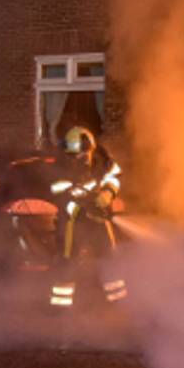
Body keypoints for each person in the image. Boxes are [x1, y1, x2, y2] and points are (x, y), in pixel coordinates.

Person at [47, 126, 127, 309]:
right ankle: (61, 307)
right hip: (71, 219)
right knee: (67, 261)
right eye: (72, 155)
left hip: (98, 218)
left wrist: (107, 193)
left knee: (109, 258)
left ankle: (118, 302)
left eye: (81, 154)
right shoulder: (61, 163)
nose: (76, 159)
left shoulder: (102, 160)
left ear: (89, 148)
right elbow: (55, 188)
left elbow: (114, 177)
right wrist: (79, 198)